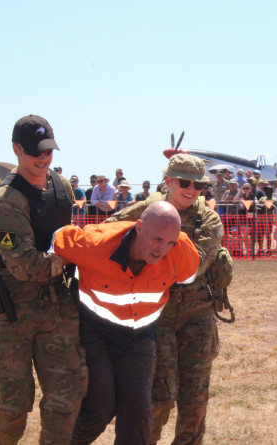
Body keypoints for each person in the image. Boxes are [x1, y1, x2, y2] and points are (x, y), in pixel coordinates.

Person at [54, 202, 199, 445]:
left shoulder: (182, 252)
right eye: (157, 239)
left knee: (138, 412)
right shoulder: (95, 243)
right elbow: (58, 239)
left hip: (139, 334)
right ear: (139, 227)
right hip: (94, 331)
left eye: (170, 242)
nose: (162, 249)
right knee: (100, 406)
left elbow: (189, 274)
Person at [0, 114, 87, 444]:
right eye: (35, 152)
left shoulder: (62, 187)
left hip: (58, 308)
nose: (43, 159)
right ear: (16, 150)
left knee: (66, 399)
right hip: (15, 310)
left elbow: (68, 234)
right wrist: (71, 255)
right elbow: (24, 266)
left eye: (48, 152)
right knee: (10, 406)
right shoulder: (6, 200)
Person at [105, 154, 224, 445]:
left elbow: (194, 268)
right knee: (158, 398)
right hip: (155, 315)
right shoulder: (147, 210)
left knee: (195, 401)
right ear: (168, 181)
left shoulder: (207, 218)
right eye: (185, 182)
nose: (192, 190)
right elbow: (107, 232)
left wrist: (151, 251)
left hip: (198, 315)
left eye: (200, 185)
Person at [255, 180, 275, 256]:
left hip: (269, 220)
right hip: (260, 219)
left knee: (268, 235)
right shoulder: (262, 198)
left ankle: (269, 249)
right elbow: (257, 206)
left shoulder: (273, 199)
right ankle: (260, 249)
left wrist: (262, 207)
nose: (266, 192)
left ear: (271, 191)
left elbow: (271, 207)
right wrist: (263, 207)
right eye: (265, 190)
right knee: (260, 234)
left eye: (268, 190)